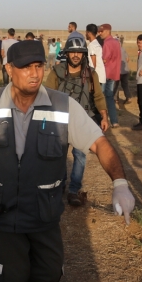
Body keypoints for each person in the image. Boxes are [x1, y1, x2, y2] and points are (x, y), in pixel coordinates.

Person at [0, 41, 135, 282]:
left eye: (38, 66)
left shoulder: (63, 106)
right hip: (2, 210)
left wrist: (120, 183)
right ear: (8, 69)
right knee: (13, 273)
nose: (34, 73)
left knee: (50, 274)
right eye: (25, 67)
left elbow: (100, 144)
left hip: (43, 210)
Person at [44, 37, 109, 206]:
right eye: (72, 52)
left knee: (80, 157)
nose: (75, 55)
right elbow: (47, 95)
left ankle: (74, 190)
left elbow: (99, 97)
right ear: (66, 53)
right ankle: (58, 186)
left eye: (79, 52)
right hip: (60, 121)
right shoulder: (57, 72)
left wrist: (104, 116)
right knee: (59, 156)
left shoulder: (91, 74)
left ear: (83, 54)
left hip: (83, 121)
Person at [97, 24, 121, 127]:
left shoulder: (106, 43)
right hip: (114, 73)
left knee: (100, 97)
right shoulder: (116, 43)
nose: (100, 33)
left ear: (107, 31)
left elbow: (104, 59)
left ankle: (101, 120)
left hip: (105, 74)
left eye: (102, 31)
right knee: (110, 97)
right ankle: (114, 121)